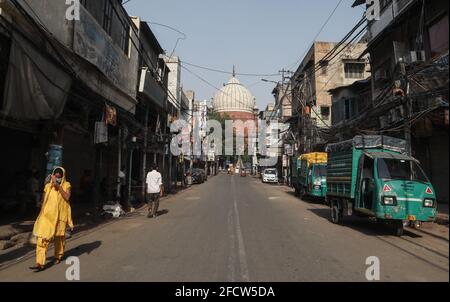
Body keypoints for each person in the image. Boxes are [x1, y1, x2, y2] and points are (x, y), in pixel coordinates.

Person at [30, 167, 73, 272]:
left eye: (60, 174)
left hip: (60, 217)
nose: (57, 175)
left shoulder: (67, 185)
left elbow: (67, 197)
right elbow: (43, 200)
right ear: (53, 175)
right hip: (47, 217)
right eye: (56, 174)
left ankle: (58, 256)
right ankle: (40, 263)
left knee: (59, 238)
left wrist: (58, 186)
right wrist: (41, 212)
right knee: (42, 239)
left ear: (63, 175)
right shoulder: (48, 186)